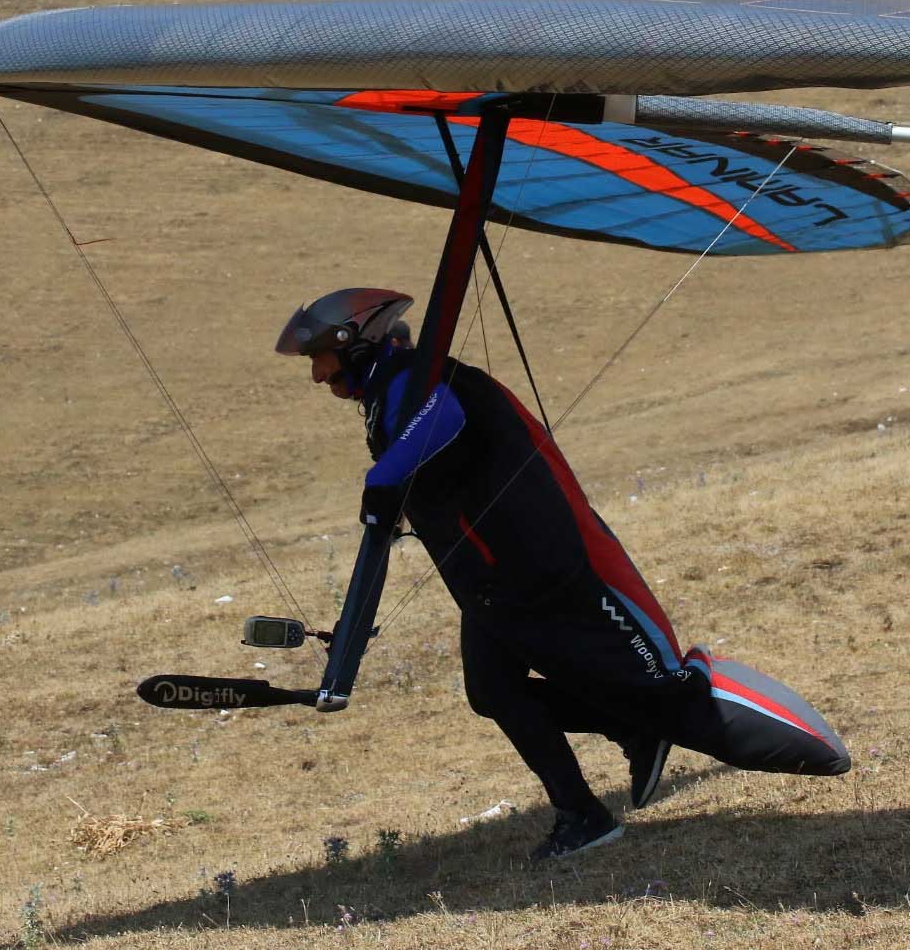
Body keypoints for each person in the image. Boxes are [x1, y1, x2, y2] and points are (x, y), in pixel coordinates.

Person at [277, 287, 848, 861]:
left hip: (539, 570)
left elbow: (446, 419)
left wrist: (383, 482)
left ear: (351, 343)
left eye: (318, 358)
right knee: (492, 691)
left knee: (648, 688)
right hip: (489, 583)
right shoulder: (386, 396)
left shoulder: (421, 379)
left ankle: (649, 737)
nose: (317, 375)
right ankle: (590, 802)